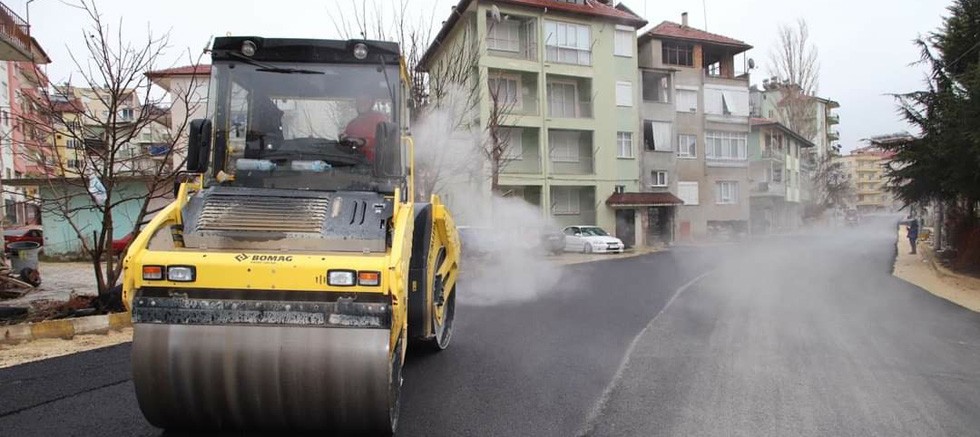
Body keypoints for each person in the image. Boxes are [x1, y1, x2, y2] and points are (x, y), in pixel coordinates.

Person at [342, 96, 388, 162]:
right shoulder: (352, 124)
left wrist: (364, 142)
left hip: (376, 165)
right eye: (359, 100)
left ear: (372, 102)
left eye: (365, 100)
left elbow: (386, 140)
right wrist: (343, 138)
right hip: (353, 162)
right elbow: (346, 142)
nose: (362, 103)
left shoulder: (379, 118)